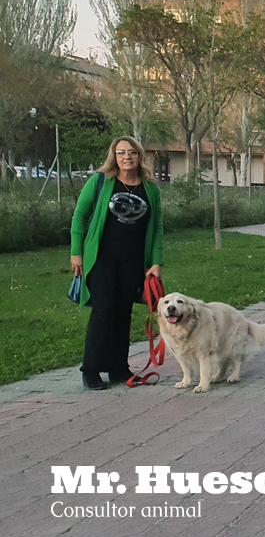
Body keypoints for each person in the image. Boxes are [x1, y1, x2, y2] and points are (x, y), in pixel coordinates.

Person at [70, 136, 164, 390]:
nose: (126, 157)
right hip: (102, 259)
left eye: (132, 152)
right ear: (114, 155)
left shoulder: (150, 188)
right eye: (121, 152)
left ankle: (118, 368)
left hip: (133, 261)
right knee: (103, 311)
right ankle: (90, 369)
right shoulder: (100, 181)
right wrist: (76, 253)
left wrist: (156, 262)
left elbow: (156, 229)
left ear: (139, 156)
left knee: (124, 312)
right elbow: (80, 216)